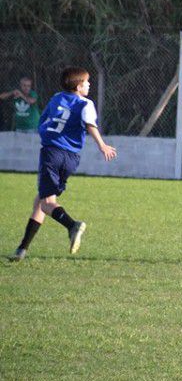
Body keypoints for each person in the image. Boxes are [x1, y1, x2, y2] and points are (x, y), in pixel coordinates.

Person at [8, 67, 117, 262]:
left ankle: (72, 225)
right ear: (78, 86)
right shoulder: (86, 104)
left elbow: (43, 121)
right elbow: (90, 124)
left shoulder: (57, 98)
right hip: (71, 158)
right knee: (39, 201)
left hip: (52, 153)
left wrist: (47, 135)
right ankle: (22, 249)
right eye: (86, 82)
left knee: (47, 203)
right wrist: (102, 145)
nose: (89, 84)